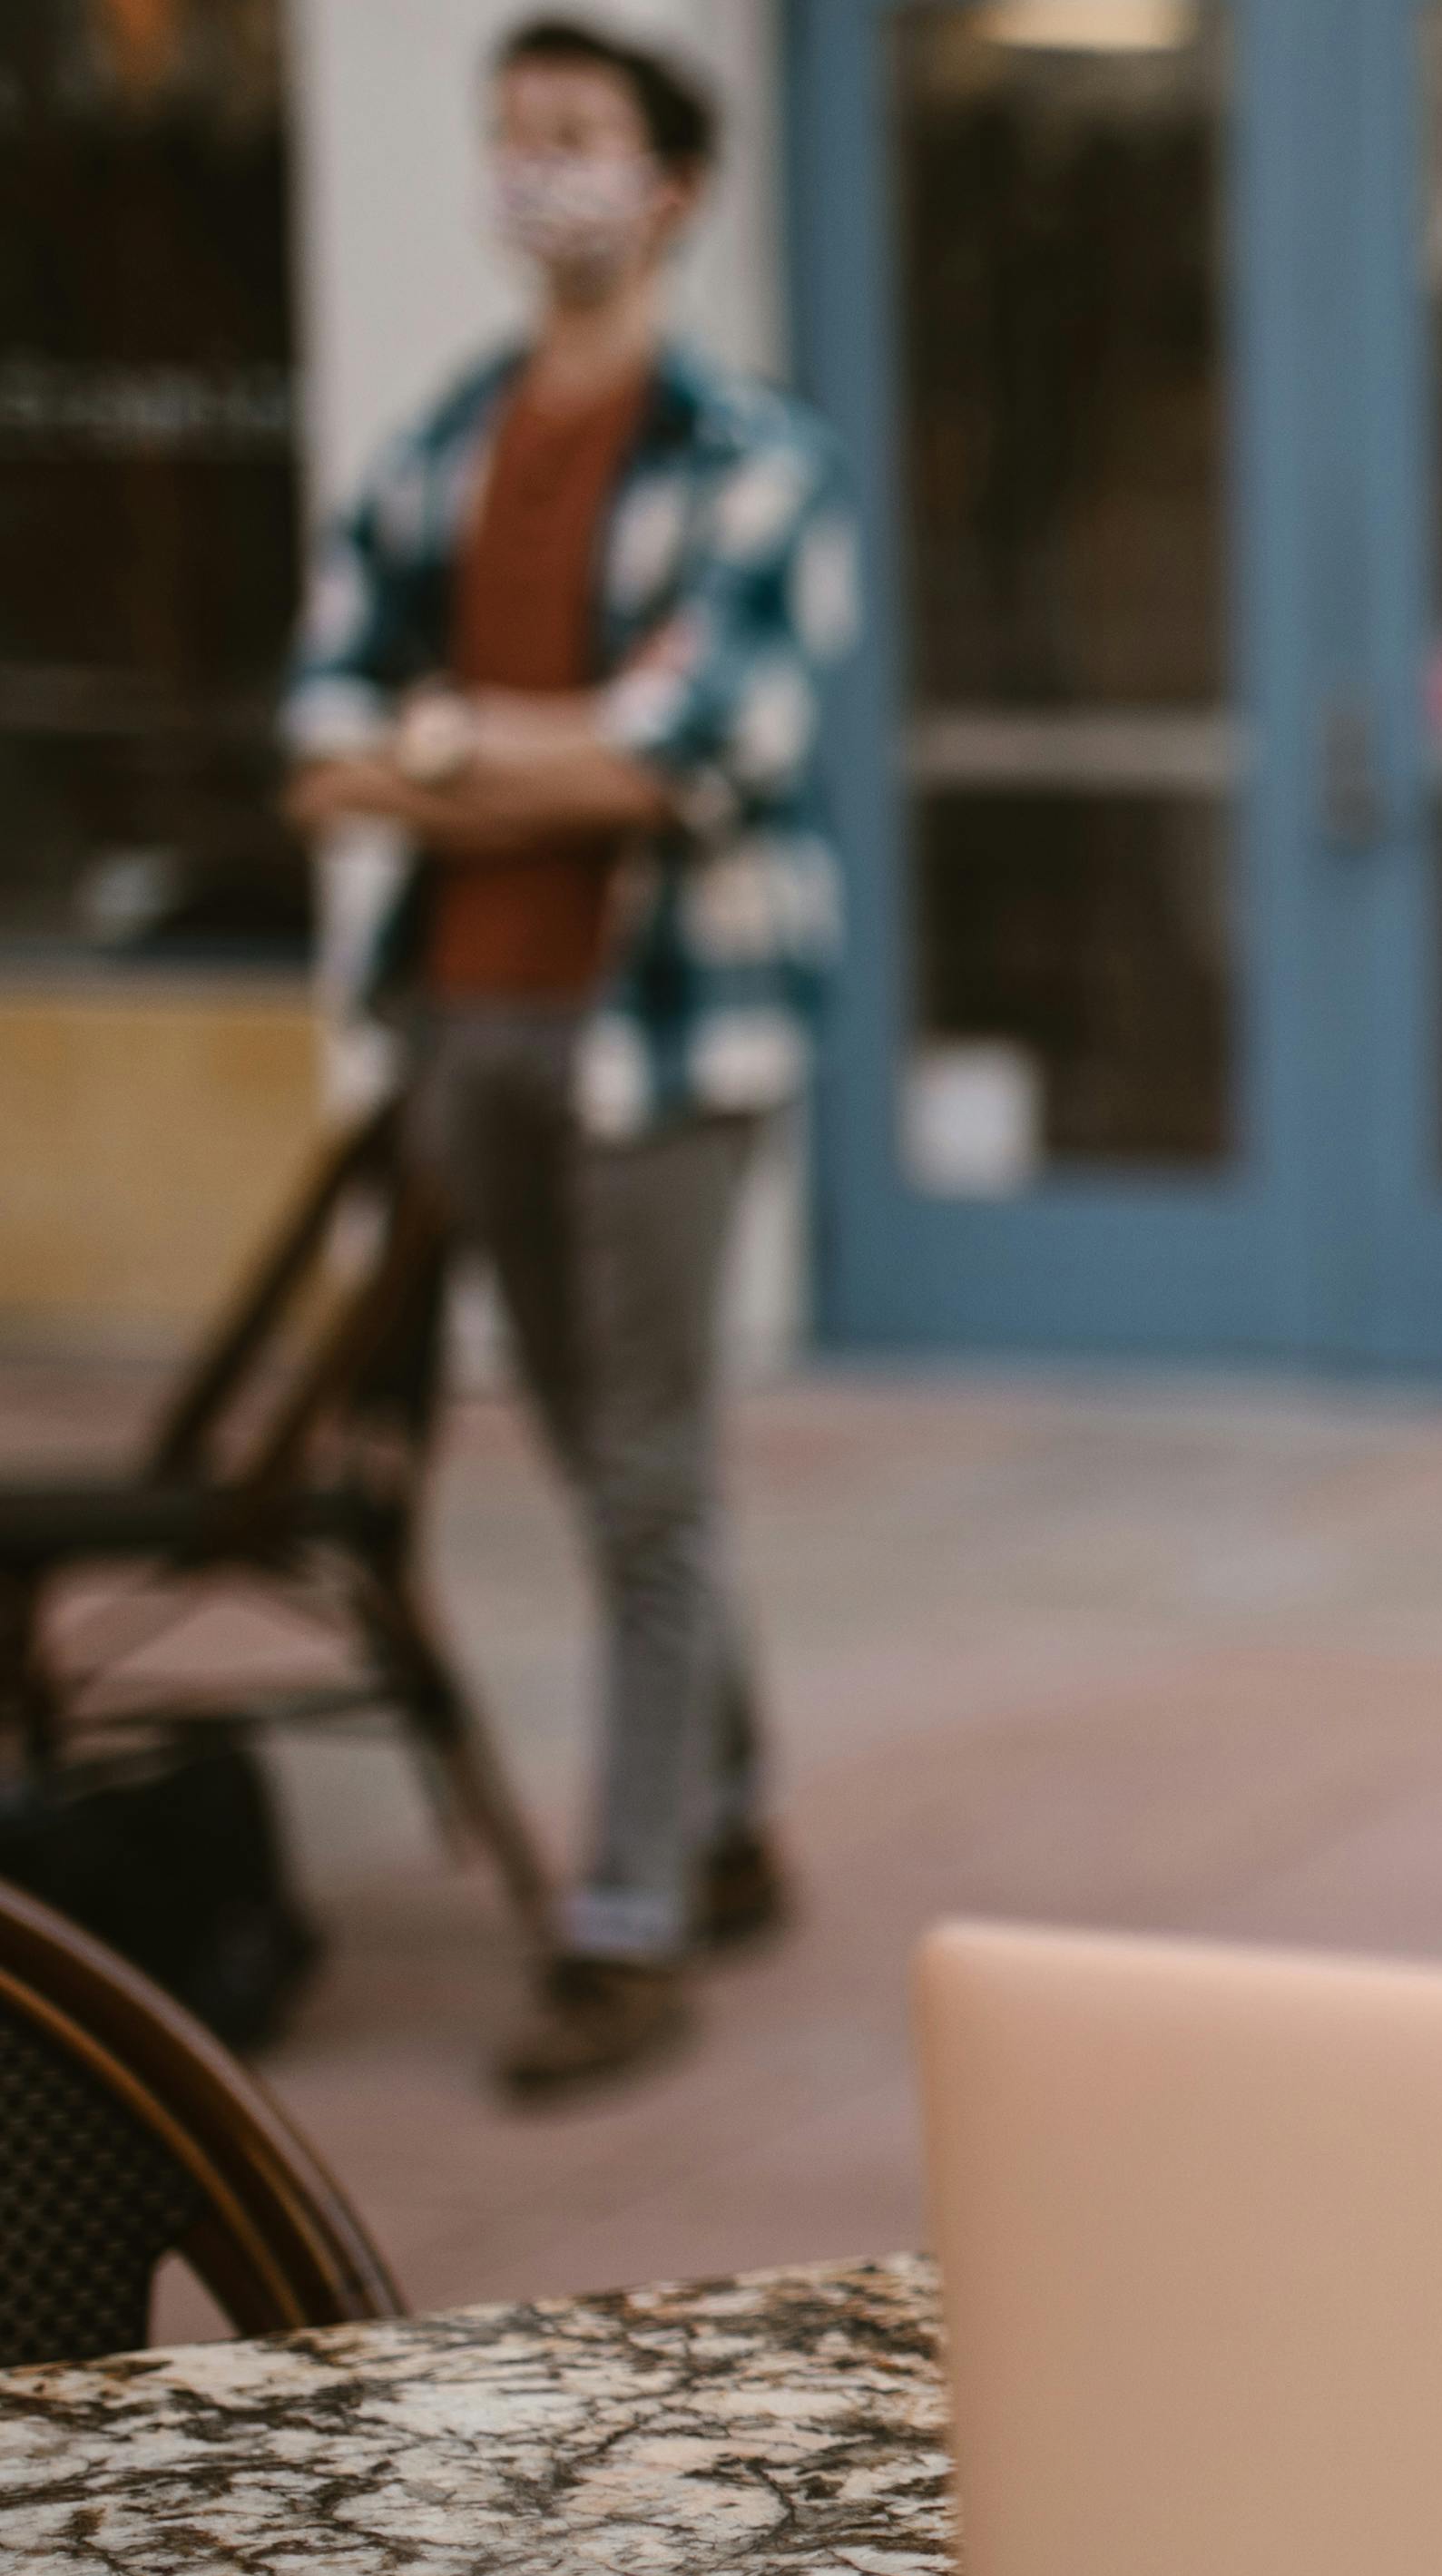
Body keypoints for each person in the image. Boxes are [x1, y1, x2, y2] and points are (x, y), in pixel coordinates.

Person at [281, 17, 851, 2101]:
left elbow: (695, 753)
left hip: (675, 1034)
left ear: (673, 186)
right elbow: (319, 736)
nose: (540, 171)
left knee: (639, 1465)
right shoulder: (444, 442)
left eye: (582, 136)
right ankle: (731, 1814)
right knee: (614, 1455)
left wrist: (443, 746)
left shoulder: (755, 454)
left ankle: (630, 1928)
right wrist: (517, 758)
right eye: (514, 137)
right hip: (470, 1020)